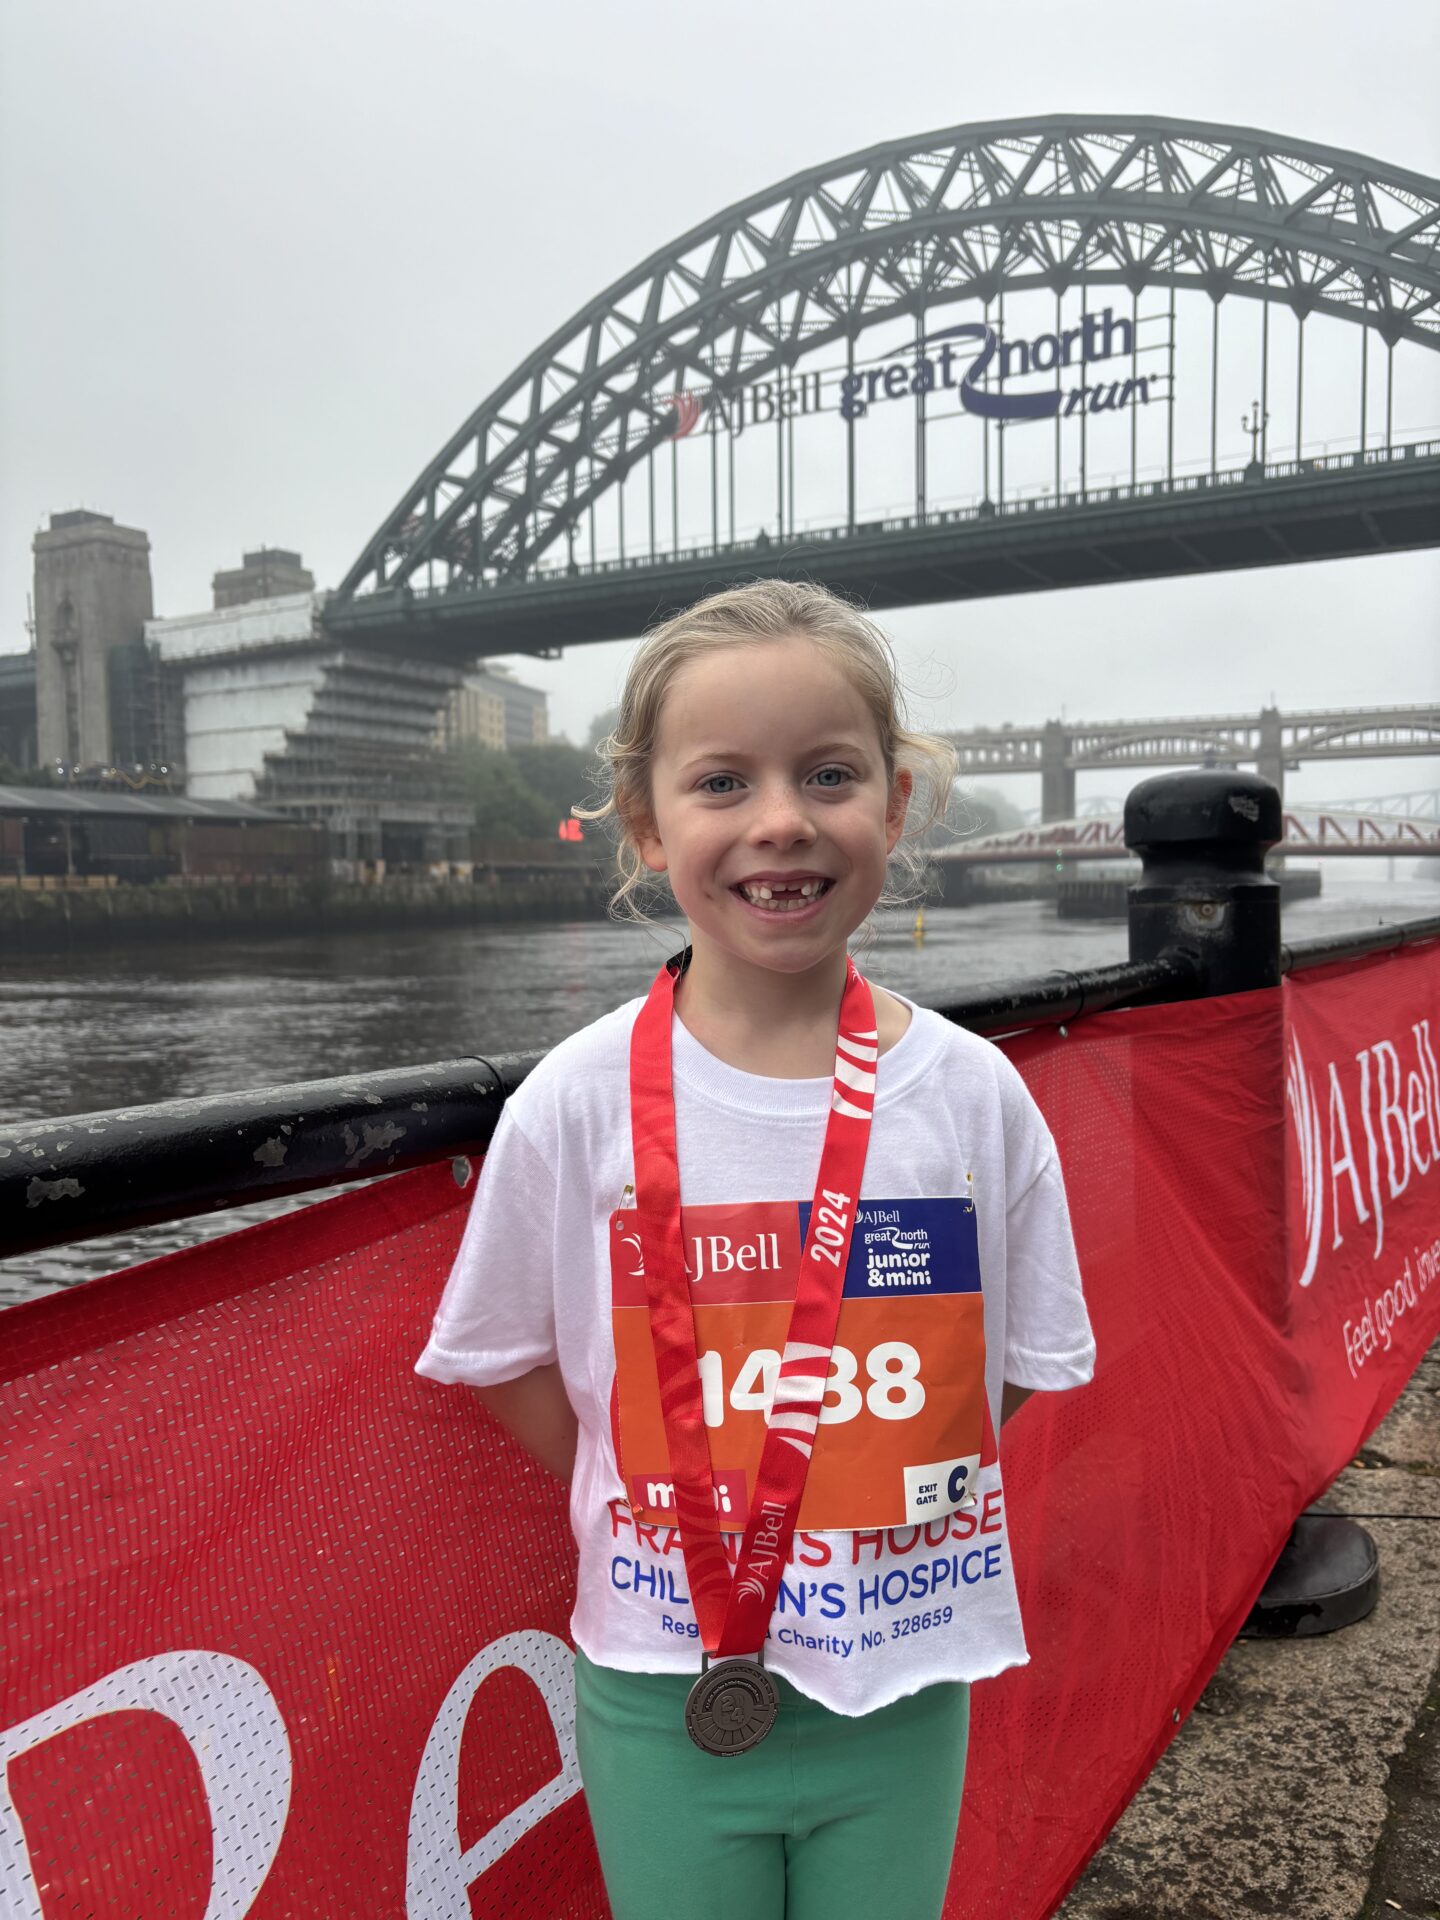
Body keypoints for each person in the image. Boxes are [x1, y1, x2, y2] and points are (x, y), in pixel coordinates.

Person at [416, 579, 1095, 1920]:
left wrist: (861, 1494)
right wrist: (672, 1490)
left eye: (829, 774)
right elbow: (504, 1358)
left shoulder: (972, 1097)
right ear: (646, 824)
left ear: (896, 804)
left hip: (899, 1682)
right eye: (722, 782)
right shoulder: (576, 1100)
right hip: (666, 1689)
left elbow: (1001, 1373)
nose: (780, 820)